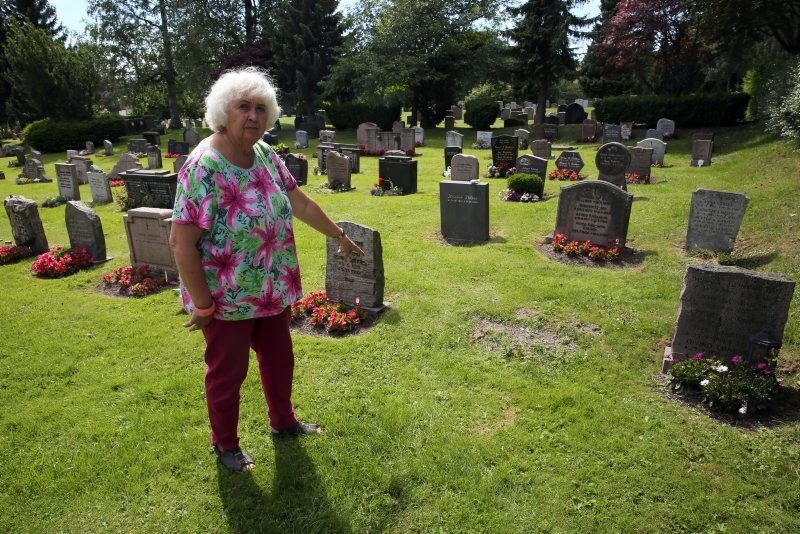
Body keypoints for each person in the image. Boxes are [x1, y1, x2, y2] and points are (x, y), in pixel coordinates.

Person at [169, 67, 363, 472]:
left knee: (279, 359)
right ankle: (226, 446)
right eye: (243, 107)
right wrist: (202, 304)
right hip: (227, 297)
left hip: (272, 286)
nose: (253, 116)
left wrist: (338, 234)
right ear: (224, 111)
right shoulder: (202, 167)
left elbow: (301, 202)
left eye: (261, 108)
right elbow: (181, 241)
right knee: (228, 373)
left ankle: (284, 422)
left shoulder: (264, 154)